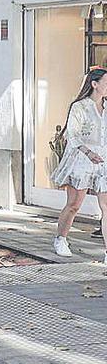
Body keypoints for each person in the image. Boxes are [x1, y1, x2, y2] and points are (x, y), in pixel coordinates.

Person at [50, 66, 107, 263]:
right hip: (82, 158)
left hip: (104, 160)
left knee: (106, 207)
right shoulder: (80, 107)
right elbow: (72, 135)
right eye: (106, 83)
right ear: (95, 85)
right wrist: (88, 153)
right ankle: (60, 238)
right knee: (74, 204)